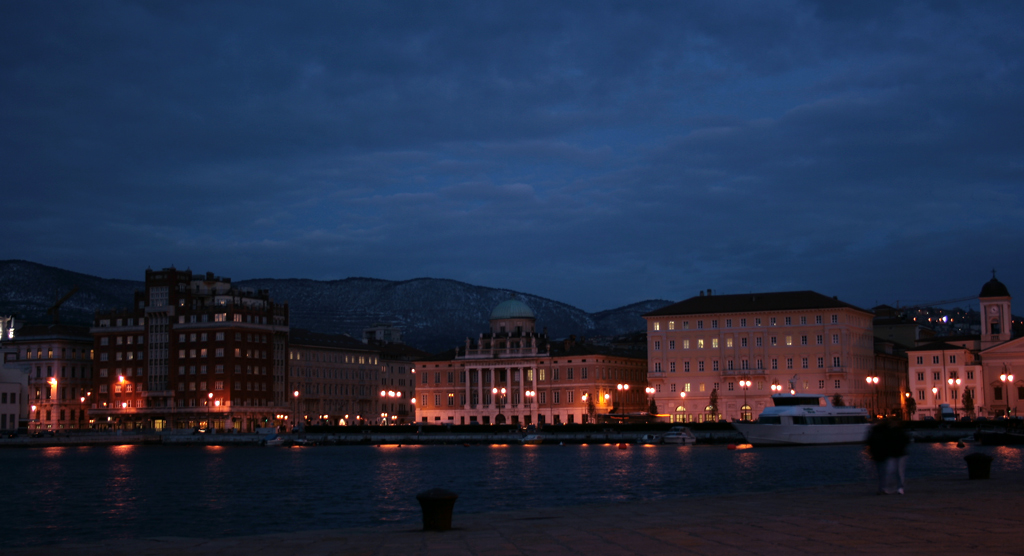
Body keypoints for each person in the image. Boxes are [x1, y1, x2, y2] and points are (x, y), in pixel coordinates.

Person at [866, 419, 910, 494]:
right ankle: (897, 487)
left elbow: (871, 441)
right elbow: (905, 440)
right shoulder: (895, 431)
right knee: (896, 471)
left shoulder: (878, 431)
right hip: (896, 453)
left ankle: (885, 488)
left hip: (885, 454)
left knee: (884, 472)